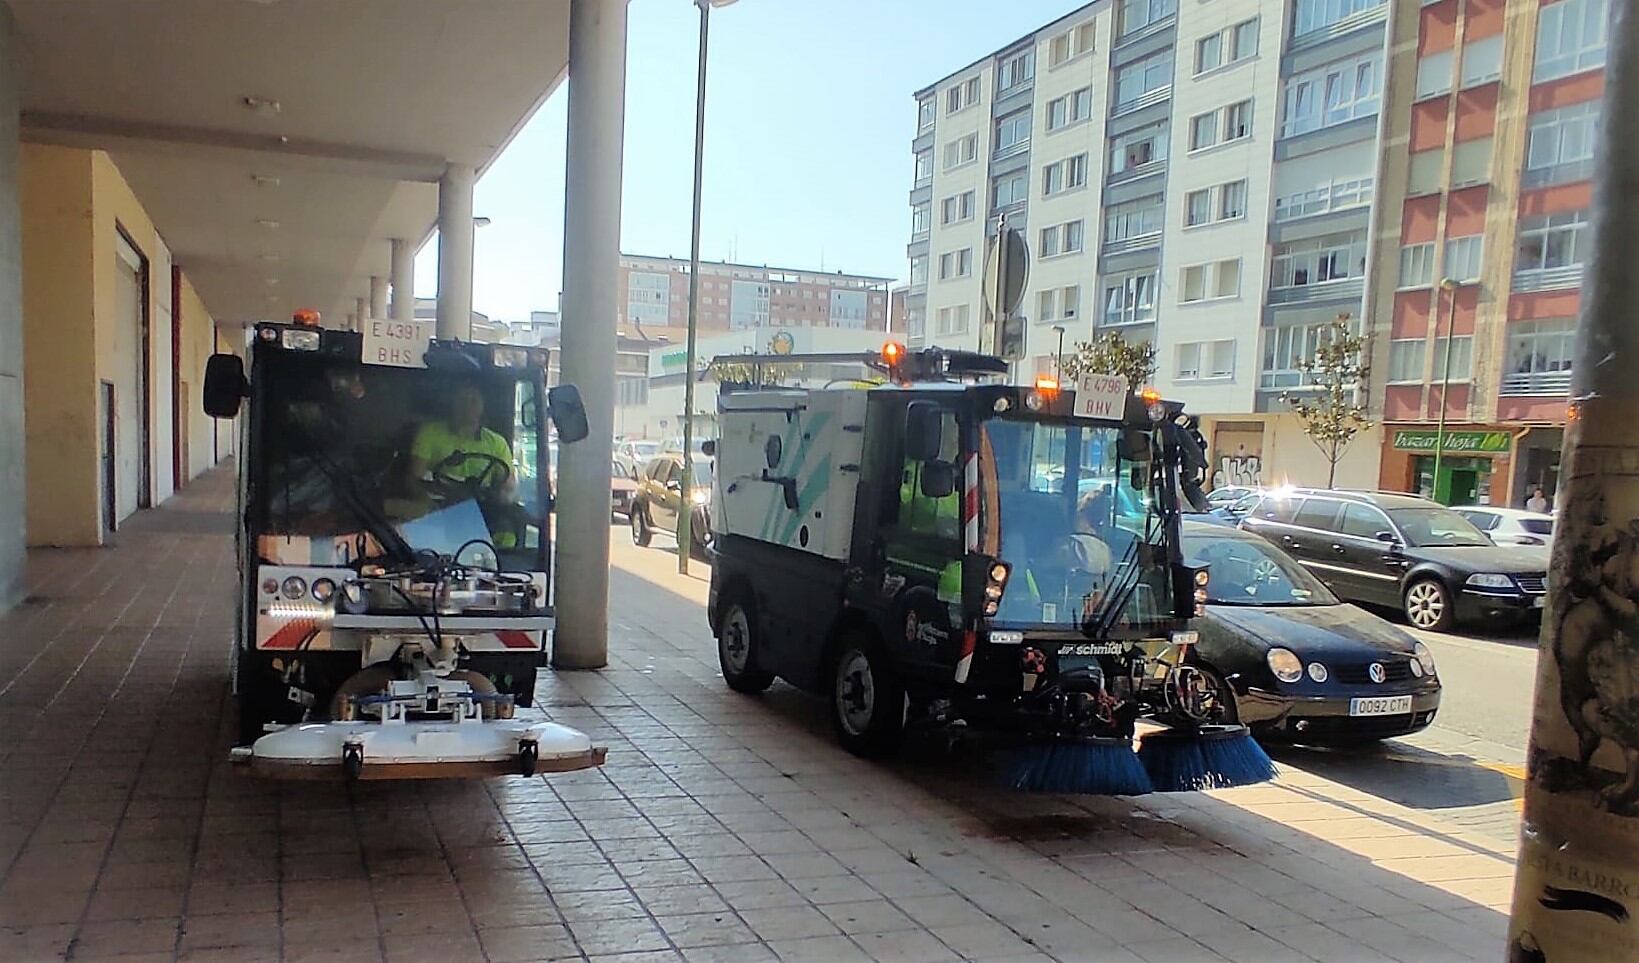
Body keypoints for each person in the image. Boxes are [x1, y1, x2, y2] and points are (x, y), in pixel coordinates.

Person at [406, 383, 519, 545]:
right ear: (453, 402)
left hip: (482, 510)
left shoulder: (497, 443)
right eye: (463, 399)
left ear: (482, 405)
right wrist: (432, 507)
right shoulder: (430, 433)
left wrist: (500, 497)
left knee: (506, 533)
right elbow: (414, 479)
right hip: (439, 509)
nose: (468, 406)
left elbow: (509, 487)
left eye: (474, 400)